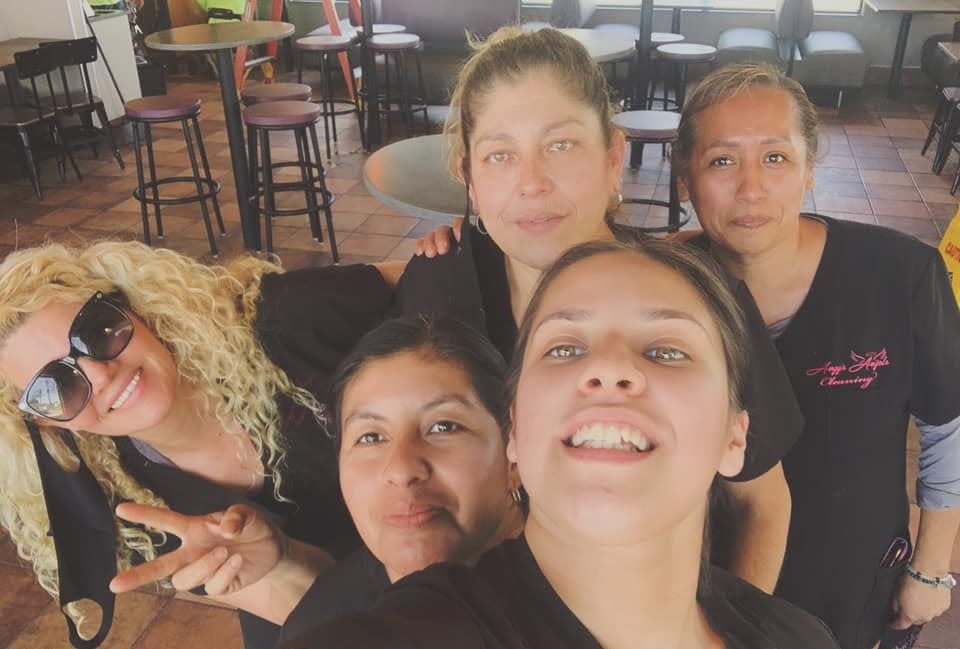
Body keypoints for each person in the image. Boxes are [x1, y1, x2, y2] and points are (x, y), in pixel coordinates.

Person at [281, 239, 839, 649]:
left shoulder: (801, 639)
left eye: (668, 350)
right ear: (515, 431)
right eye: (565, 348)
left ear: (734, 438)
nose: (609, 367)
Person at [398, 26, 802, 593]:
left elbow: (764, 503)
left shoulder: (700, 302)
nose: (531, 184)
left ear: (614, 157)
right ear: (469, 178)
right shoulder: (436, 292)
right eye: (499, 155)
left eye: (560, 145)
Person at [670, 63, 960, 649]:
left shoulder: (899, 274)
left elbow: (948, 425)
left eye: (775, 158)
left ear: (808, 169)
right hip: (714, 573)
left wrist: (931, 568)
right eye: (722, 161)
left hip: (856, 575)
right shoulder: (669, 288)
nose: (751, 189)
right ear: (685, 181)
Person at [0, 241, 397, 649]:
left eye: (95, 330)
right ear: (44, 420)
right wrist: (284, 564)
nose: (101, 376)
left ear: (132, 310)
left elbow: (439, 279)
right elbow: (334, 618)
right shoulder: (129, 506)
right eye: (57, 387)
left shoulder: (278, 320)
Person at [106, 315, 525, 638]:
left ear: (515, 450)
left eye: (443, 427)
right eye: (371, 436)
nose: (400, 469)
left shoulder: (585, 594)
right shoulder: (323, 622)